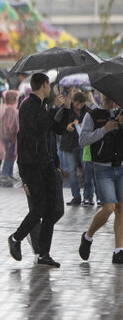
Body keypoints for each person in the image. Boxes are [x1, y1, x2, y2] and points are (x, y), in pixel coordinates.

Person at [8, 73, 65, 268]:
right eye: (49, 86)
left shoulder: (44, 107)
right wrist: (54, 108)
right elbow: (38, 128)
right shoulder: (28, 106)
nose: (51, 90)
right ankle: (16, 238)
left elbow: (55, 129)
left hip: (47, 164)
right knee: (39, 208)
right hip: (32, 165)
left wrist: (62, 109)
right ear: (44, 85)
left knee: (54, 210)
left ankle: (43, 253)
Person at [77, 93, 123, 263]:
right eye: (103, 93)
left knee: (120, 208)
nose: (107, 96)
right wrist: (104, 130)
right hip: (102, 168)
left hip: (120, 165)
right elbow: (83, 140)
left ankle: (119, 250)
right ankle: (88, 237)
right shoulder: (92, 115)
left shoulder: (121, 113)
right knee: (109, 207)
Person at [55, 92, 95, 206]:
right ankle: (76, 197)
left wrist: (83, 125)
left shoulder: (87, 111)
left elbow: (93, 125)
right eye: (77, 104)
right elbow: (57, 123)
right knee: (72, 172)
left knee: (87, 171)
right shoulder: (66, 110)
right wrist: (68, 126)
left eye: (81, 104)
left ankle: (88, 196)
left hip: (84, 145)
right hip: (70, 144)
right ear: (74, 102)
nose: (79, 106)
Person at [0, 90, 19, 187]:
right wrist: (11, 136)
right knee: (9, 155)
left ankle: (9, 173)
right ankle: (5, 173)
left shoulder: (6, 108)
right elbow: (9, 125)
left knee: (11, 155)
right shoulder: (10, 110)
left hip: (7, 136)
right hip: (9, 136)